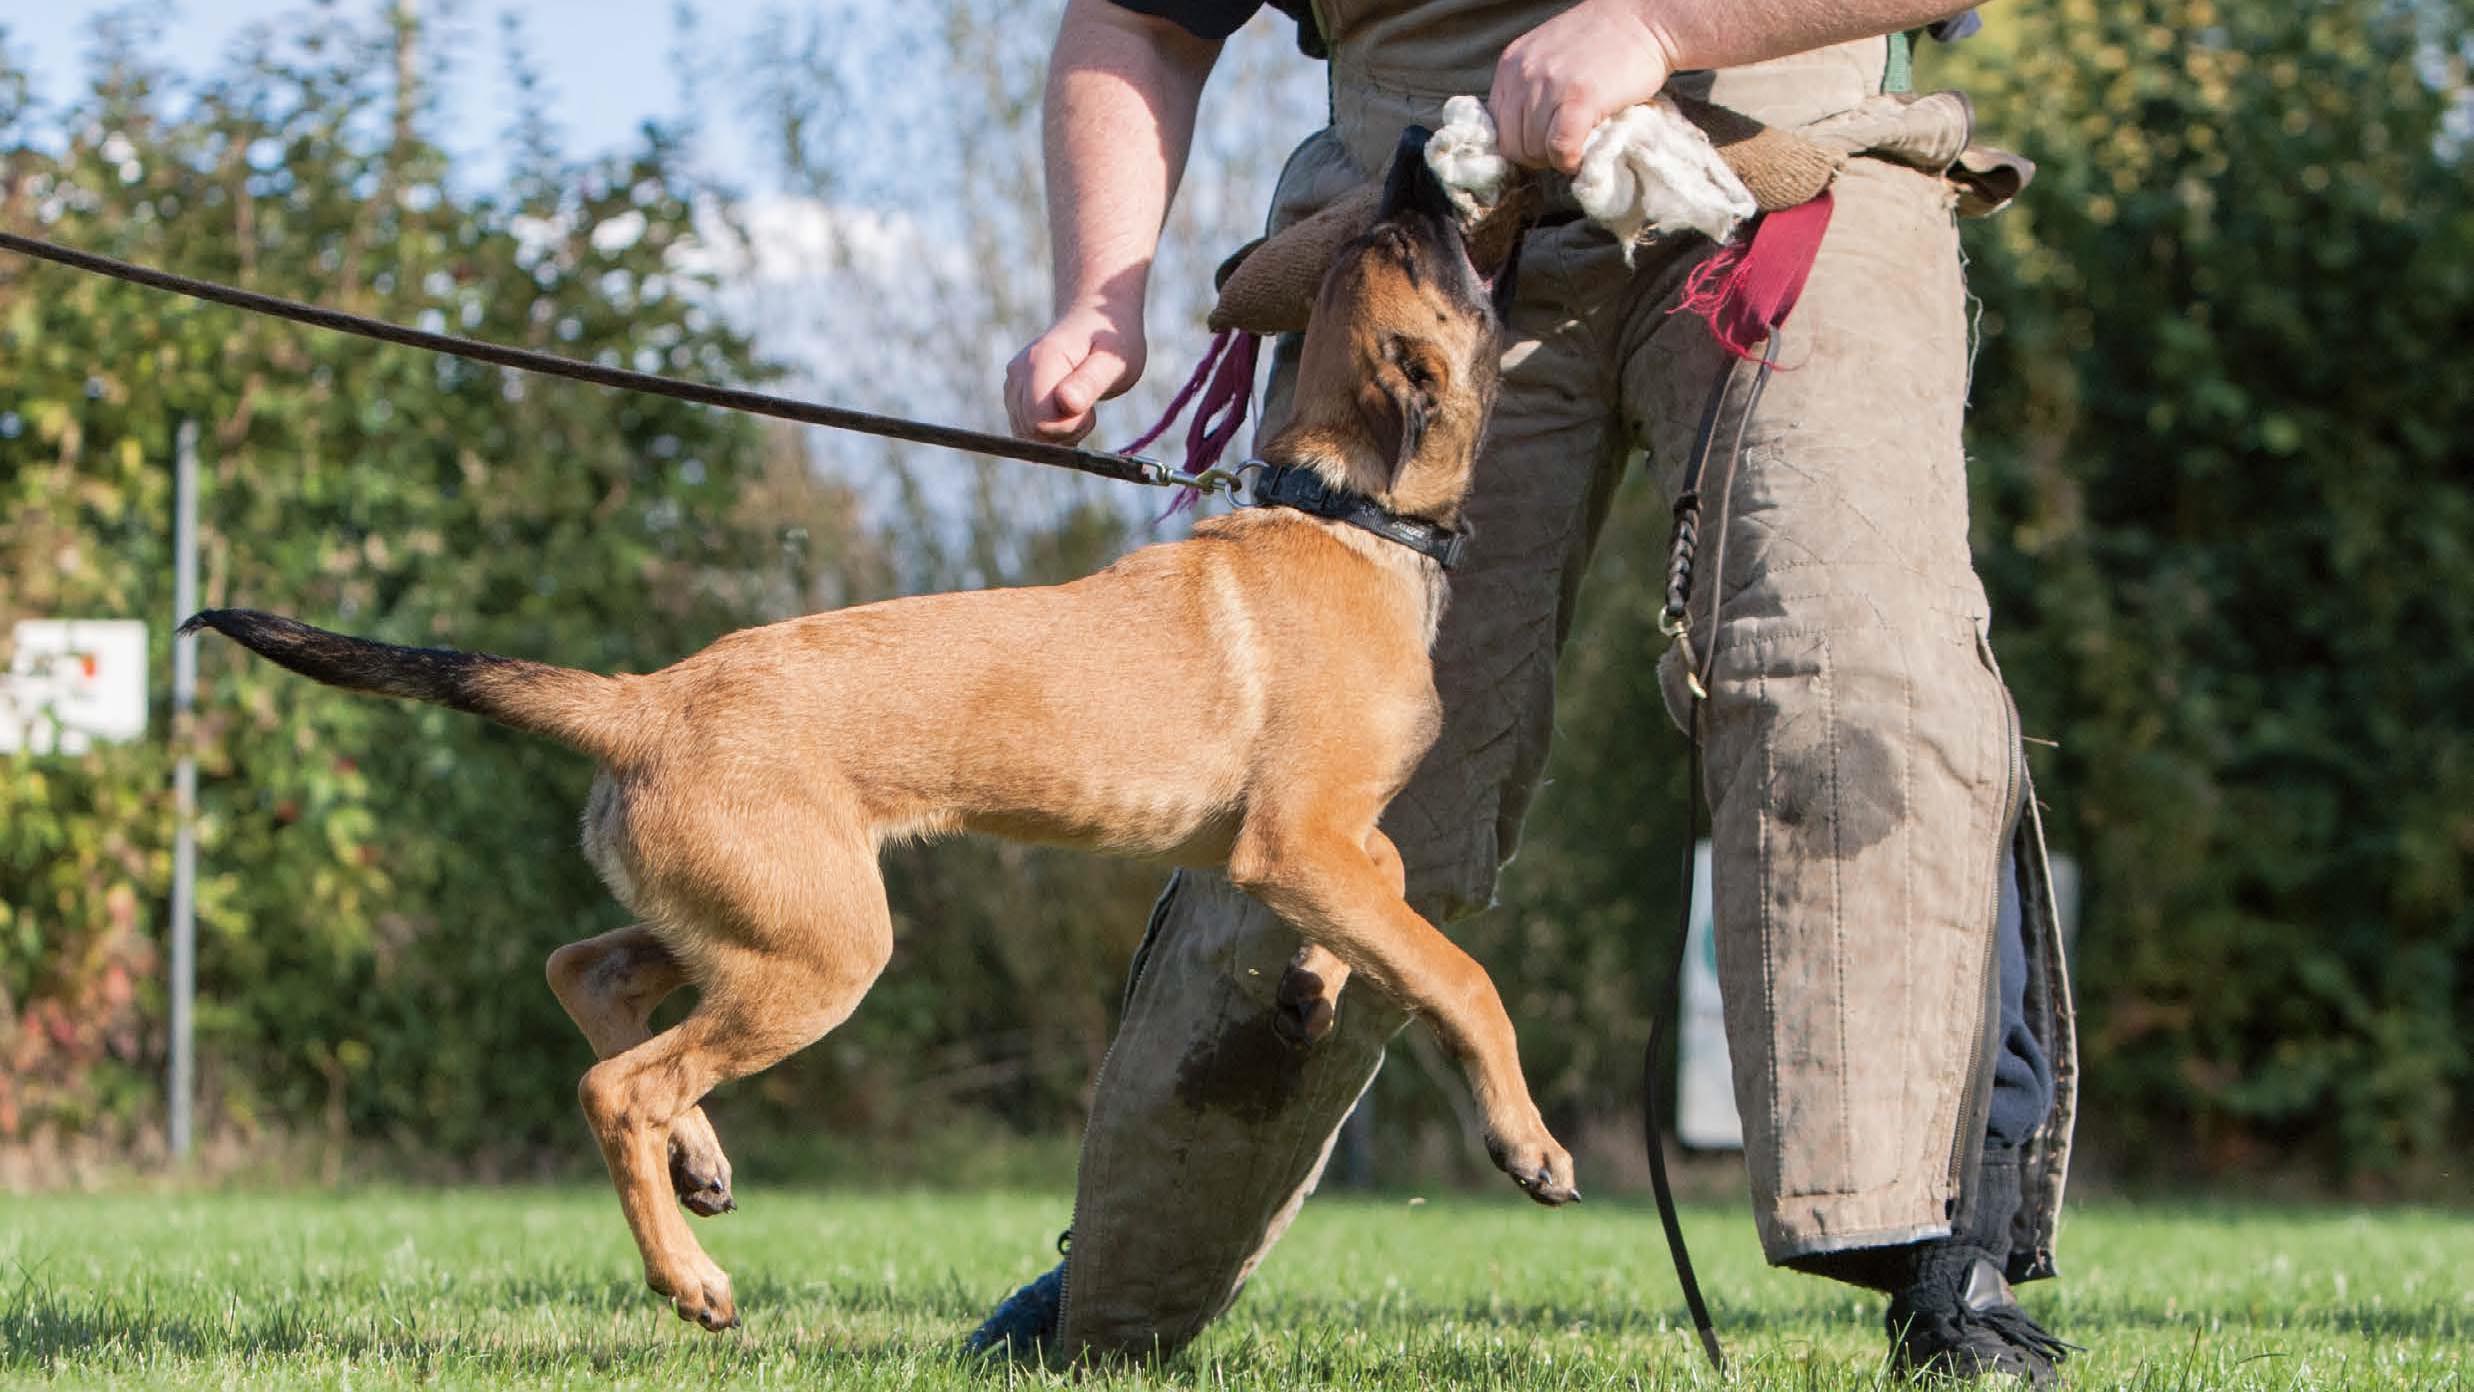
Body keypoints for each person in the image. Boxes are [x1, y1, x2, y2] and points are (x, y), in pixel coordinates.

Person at [981, 0, 2078, 1382]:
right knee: (1318, 781)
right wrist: (1099, 288)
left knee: (1849, 656)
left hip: (1788, 159)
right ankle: (1122, 1286)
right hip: (1425, 224)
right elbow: (1140, 20)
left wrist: (1655, 22)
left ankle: (1942, 1263)